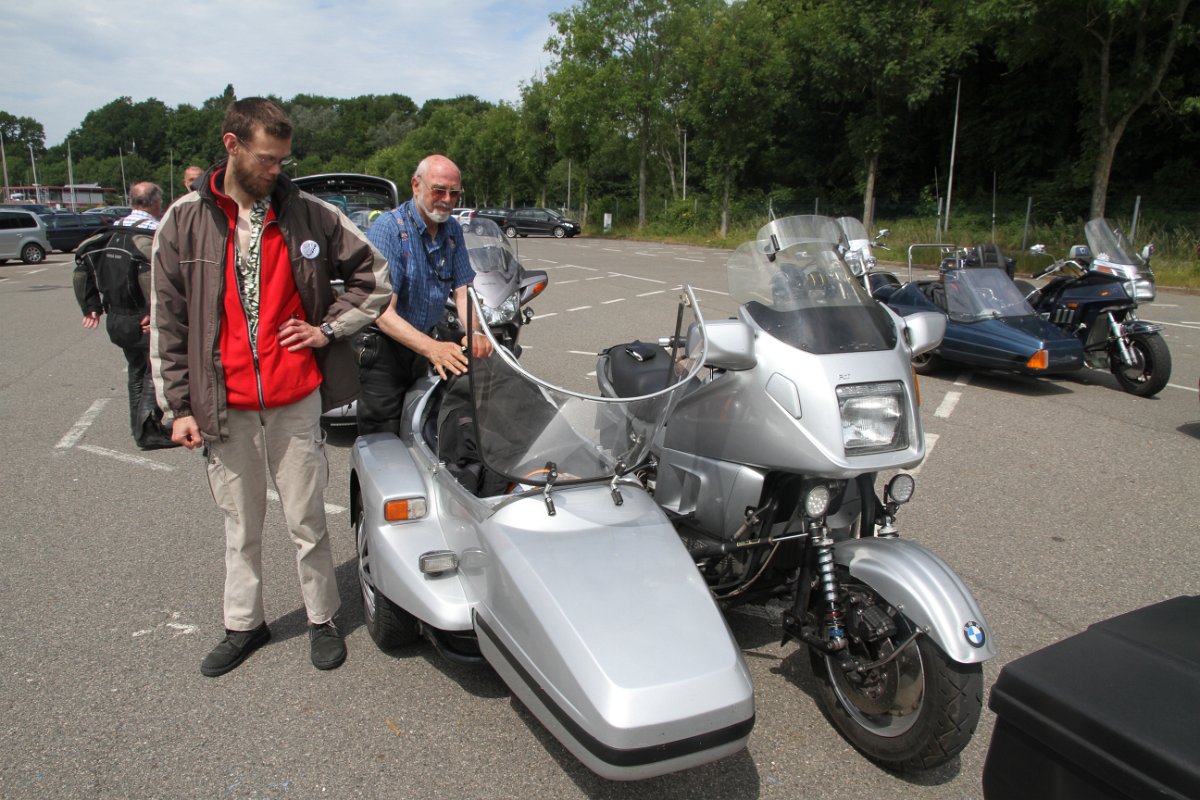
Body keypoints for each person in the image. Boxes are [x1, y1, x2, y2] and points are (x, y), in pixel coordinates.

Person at [150, 98, 391, 677]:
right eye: (266, 159)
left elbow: (375, 277)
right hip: (224, 403)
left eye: (283, 159)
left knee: (307, 518)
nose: (277, 170)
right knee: (242, 522)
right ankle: (243, 624)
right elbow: (168, 321)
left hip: (295, 397)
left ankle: (322, 617)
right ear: (231, 146)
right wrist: (177, 407)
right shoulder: (182, 220)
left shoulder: (311, 213)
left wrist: (326, 327)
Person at [356, 154, 491, 434]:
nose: (446, 199)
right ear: (416, 186)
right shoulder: (389, 228)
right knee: (383, 438)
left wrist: (474, 332)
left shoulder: (452, 230)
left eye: (454, 193)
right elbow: (382, 313)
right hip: (385, 350)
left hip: (422, 345)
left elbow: (463, 289)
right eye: (438, 190)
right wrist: (433, 349)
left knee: (418, 427)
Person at [73, 181, 177, 450]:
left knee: (137, 371)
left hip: (117, 317)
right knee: (153, 372)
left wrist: (91, 306)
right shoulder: (153, 233)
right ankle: (147, 431)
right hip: (142, 317)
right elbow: (159, 275)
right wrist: (154, 312)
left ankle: (141, 427)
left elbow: (82, 267)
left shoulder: (109, 232)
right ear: (155, 202)